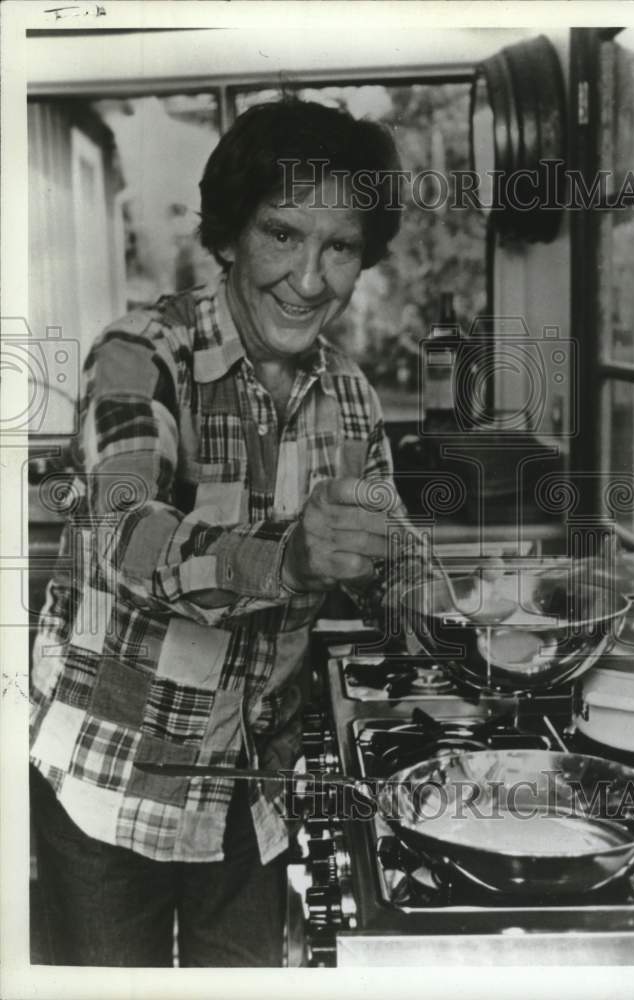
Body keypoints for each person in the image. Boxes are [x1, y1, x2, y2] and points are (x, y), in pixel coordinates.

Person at [29, 98, 414, 967]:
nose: (309, 279)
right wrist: (290, 559)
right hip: (109, 781)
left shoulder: (351, 395)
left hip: (250, 789)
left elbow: (387, 545)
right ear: (232, 235)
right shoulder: (138, 353)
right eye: (282, 234)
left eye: (340, 247)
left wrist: (467, 618)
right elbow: (129, 534)